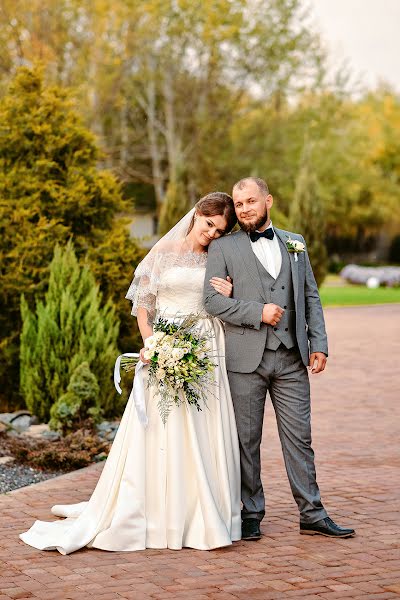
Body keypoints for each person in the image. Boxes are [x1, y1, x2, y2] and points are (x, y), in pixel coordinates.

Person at [20, 192, 241, 554]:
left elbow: (222, 302)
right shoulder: (164, 251)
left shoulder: (218, 257)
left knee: (204, 424)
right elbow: (143, 305)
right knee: (161, 426)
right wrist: (152, 345)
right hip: (164, 344)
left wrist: (228, 293)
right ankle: (159, 509)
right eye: (209, 225)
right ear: (198, 214)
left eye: (219, 230)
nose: (212, 234)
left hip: (206, 344)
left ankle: (203, 509)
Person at [204, 177, 355, 540]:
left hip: (290, 358)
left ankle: (312, 513)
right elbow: (212, 302)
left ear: (268, 200)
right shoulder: (223, 248)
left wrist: (319, 343)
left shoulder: (295, 243)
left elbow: (311, 297)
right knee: (247, 440)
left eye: (251, 202)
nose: (244, 210)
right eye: (239, 205)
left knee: (300, 438)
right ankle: (251, 513)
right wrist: (258, 311)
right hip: (245, 359)